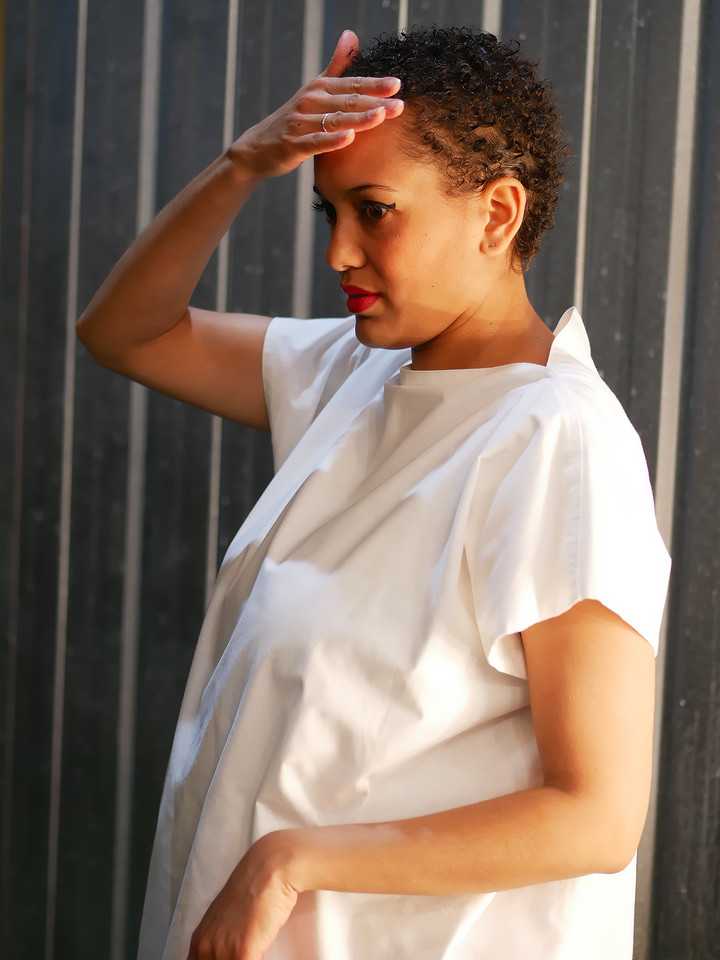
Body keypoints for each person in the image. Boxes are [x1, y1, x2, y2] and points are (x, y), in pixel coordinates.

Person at [77, 25, 671, 960]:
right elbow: (124, 333)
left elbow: (594, 816)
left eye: (376, 210)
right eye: (329, 212)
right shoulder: (353, 374)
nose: (338, 253)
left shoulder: (558, 440)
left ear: (497, 214)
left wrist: (289, 862)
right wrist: (241, 165)